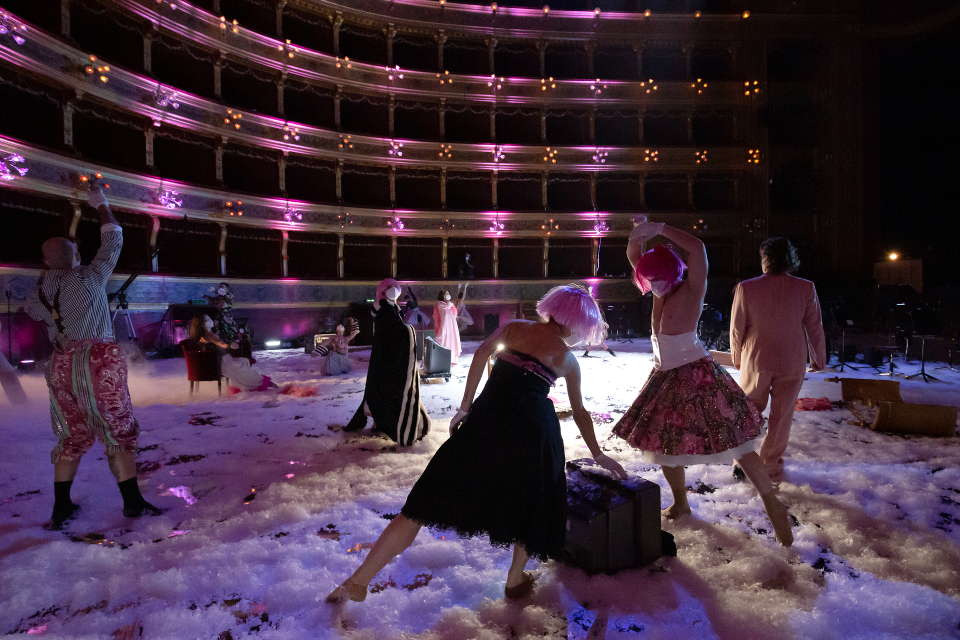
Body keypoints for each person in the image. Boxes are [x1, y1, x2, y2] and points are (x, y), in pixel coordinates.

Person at [327, 284, 627, 604]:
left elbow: (482, 355)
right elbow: (580, 412)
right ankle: (514, 579)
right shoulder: (567, 359)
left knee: (421, 504)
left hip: (485, 421)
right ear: (575, 323)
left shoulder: (514, 329)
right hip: (533, 433)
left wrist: (465, 407)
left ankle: (359, 580)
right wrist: (598, 454)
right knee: (534, 505)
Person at [611, 220, 793, 547]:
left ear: (672, 274)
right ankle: (681, 502)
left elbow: (697, 249)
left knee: (736, 440)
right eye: (648, 279)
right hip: (665, 375)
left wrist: (662, 227)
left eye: (658, 279)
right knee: (664, 445)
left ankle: (770, 499)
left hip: (696, 372)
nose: (654, 284)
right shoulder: (657, 289)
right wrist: (638, 234)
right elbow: (634, 254)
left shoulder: (691, 289)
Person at [29, 185, 161, 530]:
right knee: (117, 428)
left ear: (46, 261)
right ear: (75, 257)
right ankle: (132, 503)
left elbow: (36, 313)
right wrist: (101, 206)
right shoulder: (88, 275)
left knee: (71, 433)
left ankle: (61, 507)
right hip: (97, 360)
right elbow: (113, 239)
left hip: (60, 364)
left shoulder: (40, 289)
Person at [730, 237, 826, 483]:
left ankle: (743, 461)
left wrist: (736, 357)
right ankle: (770, 464)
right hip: (792, 358)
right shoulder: (805, 287)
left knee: (749, 411)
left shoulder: (746, 287)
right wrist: (819, 357)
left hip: (757, 357)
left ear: (765, 259)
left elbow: (737, 328)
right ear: (791, 259)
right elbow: (814, 326)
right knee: (782, 416)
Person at [344, 278, 430, 445]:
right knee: (387, 390)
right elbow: (395, 331)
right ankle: (389, 424)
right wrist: (408, 330)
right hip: (387, 358)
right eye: (392, 288)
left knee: (380, 389)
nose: (395, 291)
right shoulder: (385, 309)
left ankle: (379, 421)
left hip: (385, 356)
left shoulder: (390, 308)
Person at [186, 315, 276, 392]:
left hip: (209, 365)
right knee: (242, 364)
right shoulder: (209, 334)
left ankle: (248, 385)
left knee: (243, 362)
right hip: (220, 362)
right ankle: (260, 383)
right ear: (203, 323)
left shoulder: (198, 335)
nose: (210, 321)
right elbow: (222, 344)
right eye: (208, 320)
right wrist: (231, 345)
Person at [433, 284, 466, 363]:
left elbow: (454, 313)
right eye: (446, 294)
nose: (448, 295)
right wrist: (450, 304)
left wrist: (452, 305)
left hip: (452, 326)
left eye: (448, 293)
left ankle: (452, 358)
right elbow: (444, 310)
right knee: (444, 340)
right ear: (442, 296)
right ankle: (443, 357)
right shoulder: (439, 304)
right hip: (444, 326)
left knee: (453, 340)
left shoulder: (450, 304)